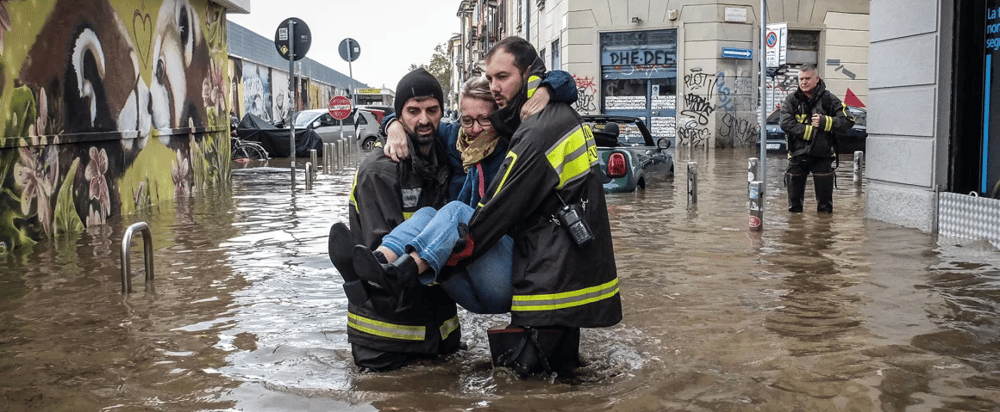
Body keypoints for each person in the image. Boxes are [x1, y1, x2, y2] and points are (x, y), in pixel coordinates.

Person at [446, 36, 622, 376]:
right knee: (565, 379)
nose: (494, 86)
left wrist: (456, 254)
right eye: (490, 78)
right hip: (567, 273)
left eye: (502, 77)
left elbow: (501, 205)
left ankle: (401, 266)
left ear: (528, 76)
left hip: (547, 279)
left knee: (525, 385)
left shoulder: (536, 129)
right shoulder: (544, 113)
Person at [349, 76, 519, 315]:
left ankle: (406, 269)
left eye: (484, 119)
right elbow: (414, 120)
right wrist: (393, 126)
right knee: (427, 214)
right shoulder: (454, 140)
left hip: (500, 280)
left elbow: (560, 88)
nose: (475, 129)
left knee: (456, 211)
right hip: (468, 280)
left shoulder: (515, 145)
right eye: (467, 120)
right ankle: (377, 264)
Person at [328, 68, 460, 372]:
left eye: (432, 110)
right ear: (399, 116)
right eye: (413, 111)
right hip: (386, 338)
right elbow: (373, 257)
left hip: (439, 332)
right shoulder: (380, 170)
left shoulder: (445, 156)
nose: (424, 120)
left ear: (442, 111)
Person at [779, 64, 855, 214]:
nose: (804, 82)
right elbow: (784, 122)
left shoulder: (829, 99)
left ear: (816, 79)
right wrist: (810, 132)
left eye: (807, 78)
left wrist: (826, 122)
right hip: (797, 156)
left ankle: (823, 234)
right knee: (794, 209)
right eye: (801, 79)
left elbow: (848, 121)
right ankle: (795, 233)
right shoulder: (791, 100)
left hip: (823, 156)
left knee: (825, 208)